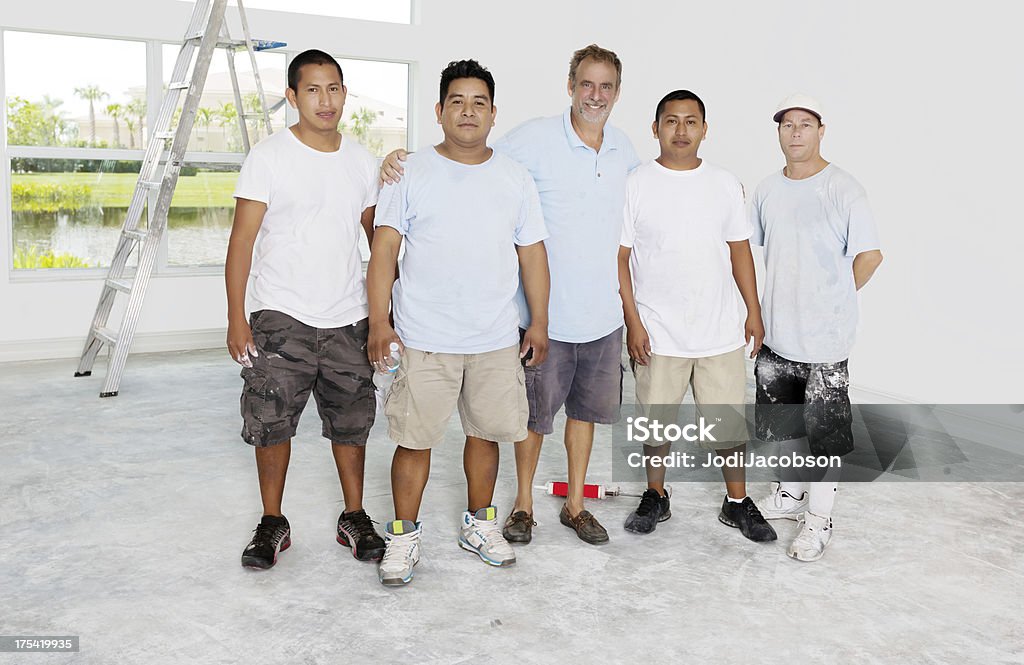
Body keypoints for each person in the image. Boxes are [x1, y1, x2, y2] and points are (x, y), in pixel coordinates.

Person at [381, 45, 640, 546]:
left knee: (561, 419)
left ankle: (571, 507)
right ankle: (515, 508)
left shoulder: (623, 148)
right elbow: (466, 155)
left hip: (593, 315)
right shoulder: (530, 141)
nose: (595, 95)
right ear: (570, 85)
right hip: (512, 320)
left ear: (617, 93)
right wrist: (396, 158)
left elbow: (649, 192)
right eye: (586, 84)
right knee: (525, 422)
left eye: (606, 86)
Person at [367, 59, 550, 586]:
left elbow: (533, 254)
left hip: (493, 336)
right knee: (414, 441)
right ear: (439, 111)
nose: (468, 112)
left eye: (478, 103)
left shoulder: (515, 178)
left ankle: (481, 525)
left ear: (494, 113)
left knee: (486, 435)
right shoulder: (410, 172)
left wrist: (538, 322)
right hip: (425, 336)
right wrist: (380, 322)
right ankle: (402, 537)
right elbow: (384, 254)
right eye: (457, 102)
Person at [226, 50, 385, 569]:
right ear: (293, 97)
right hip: (280, 316)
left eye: (335, 88)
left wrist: (385, 313)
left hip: (348, 314)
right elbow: (242, 242)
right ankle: (273, 521)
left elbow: (377, 240)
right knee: (270, 422)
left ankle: (354, 516)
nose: (326, 100)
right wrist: (235, 317)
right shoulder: (269, 157)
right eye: (313, 90)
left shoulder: (362, 160)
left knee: (352, 422)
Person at [618, 90, 775, 543]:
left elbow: (740, 249)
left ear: (705, 129)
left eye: (691, 121)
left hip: (719, 329)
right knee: (655, 422)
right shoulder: (636, 183)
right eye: (671, 121)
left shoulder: (725, 183)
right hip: (658, 331)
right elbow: (621, 257)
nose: (681, 130)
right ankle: (655, 494)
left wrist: (753, 311)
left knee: (729, 425)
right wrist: (633, 321)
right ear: (655, 129)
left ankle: (738, 502)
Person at [750, 93, 884, 562]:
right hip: (777, 332)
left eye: (805, 124)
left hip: (826, 340)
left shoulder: (844, 189)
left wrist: (835, 300)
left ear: (821, 130)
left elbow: (870, 255)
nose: (795, 132)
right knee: (783, 427)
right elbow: (759, 251)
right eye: (787, 124)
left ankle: (819, 519)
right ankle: (790, 496)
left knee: (824, 436)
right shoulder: (767, 189)